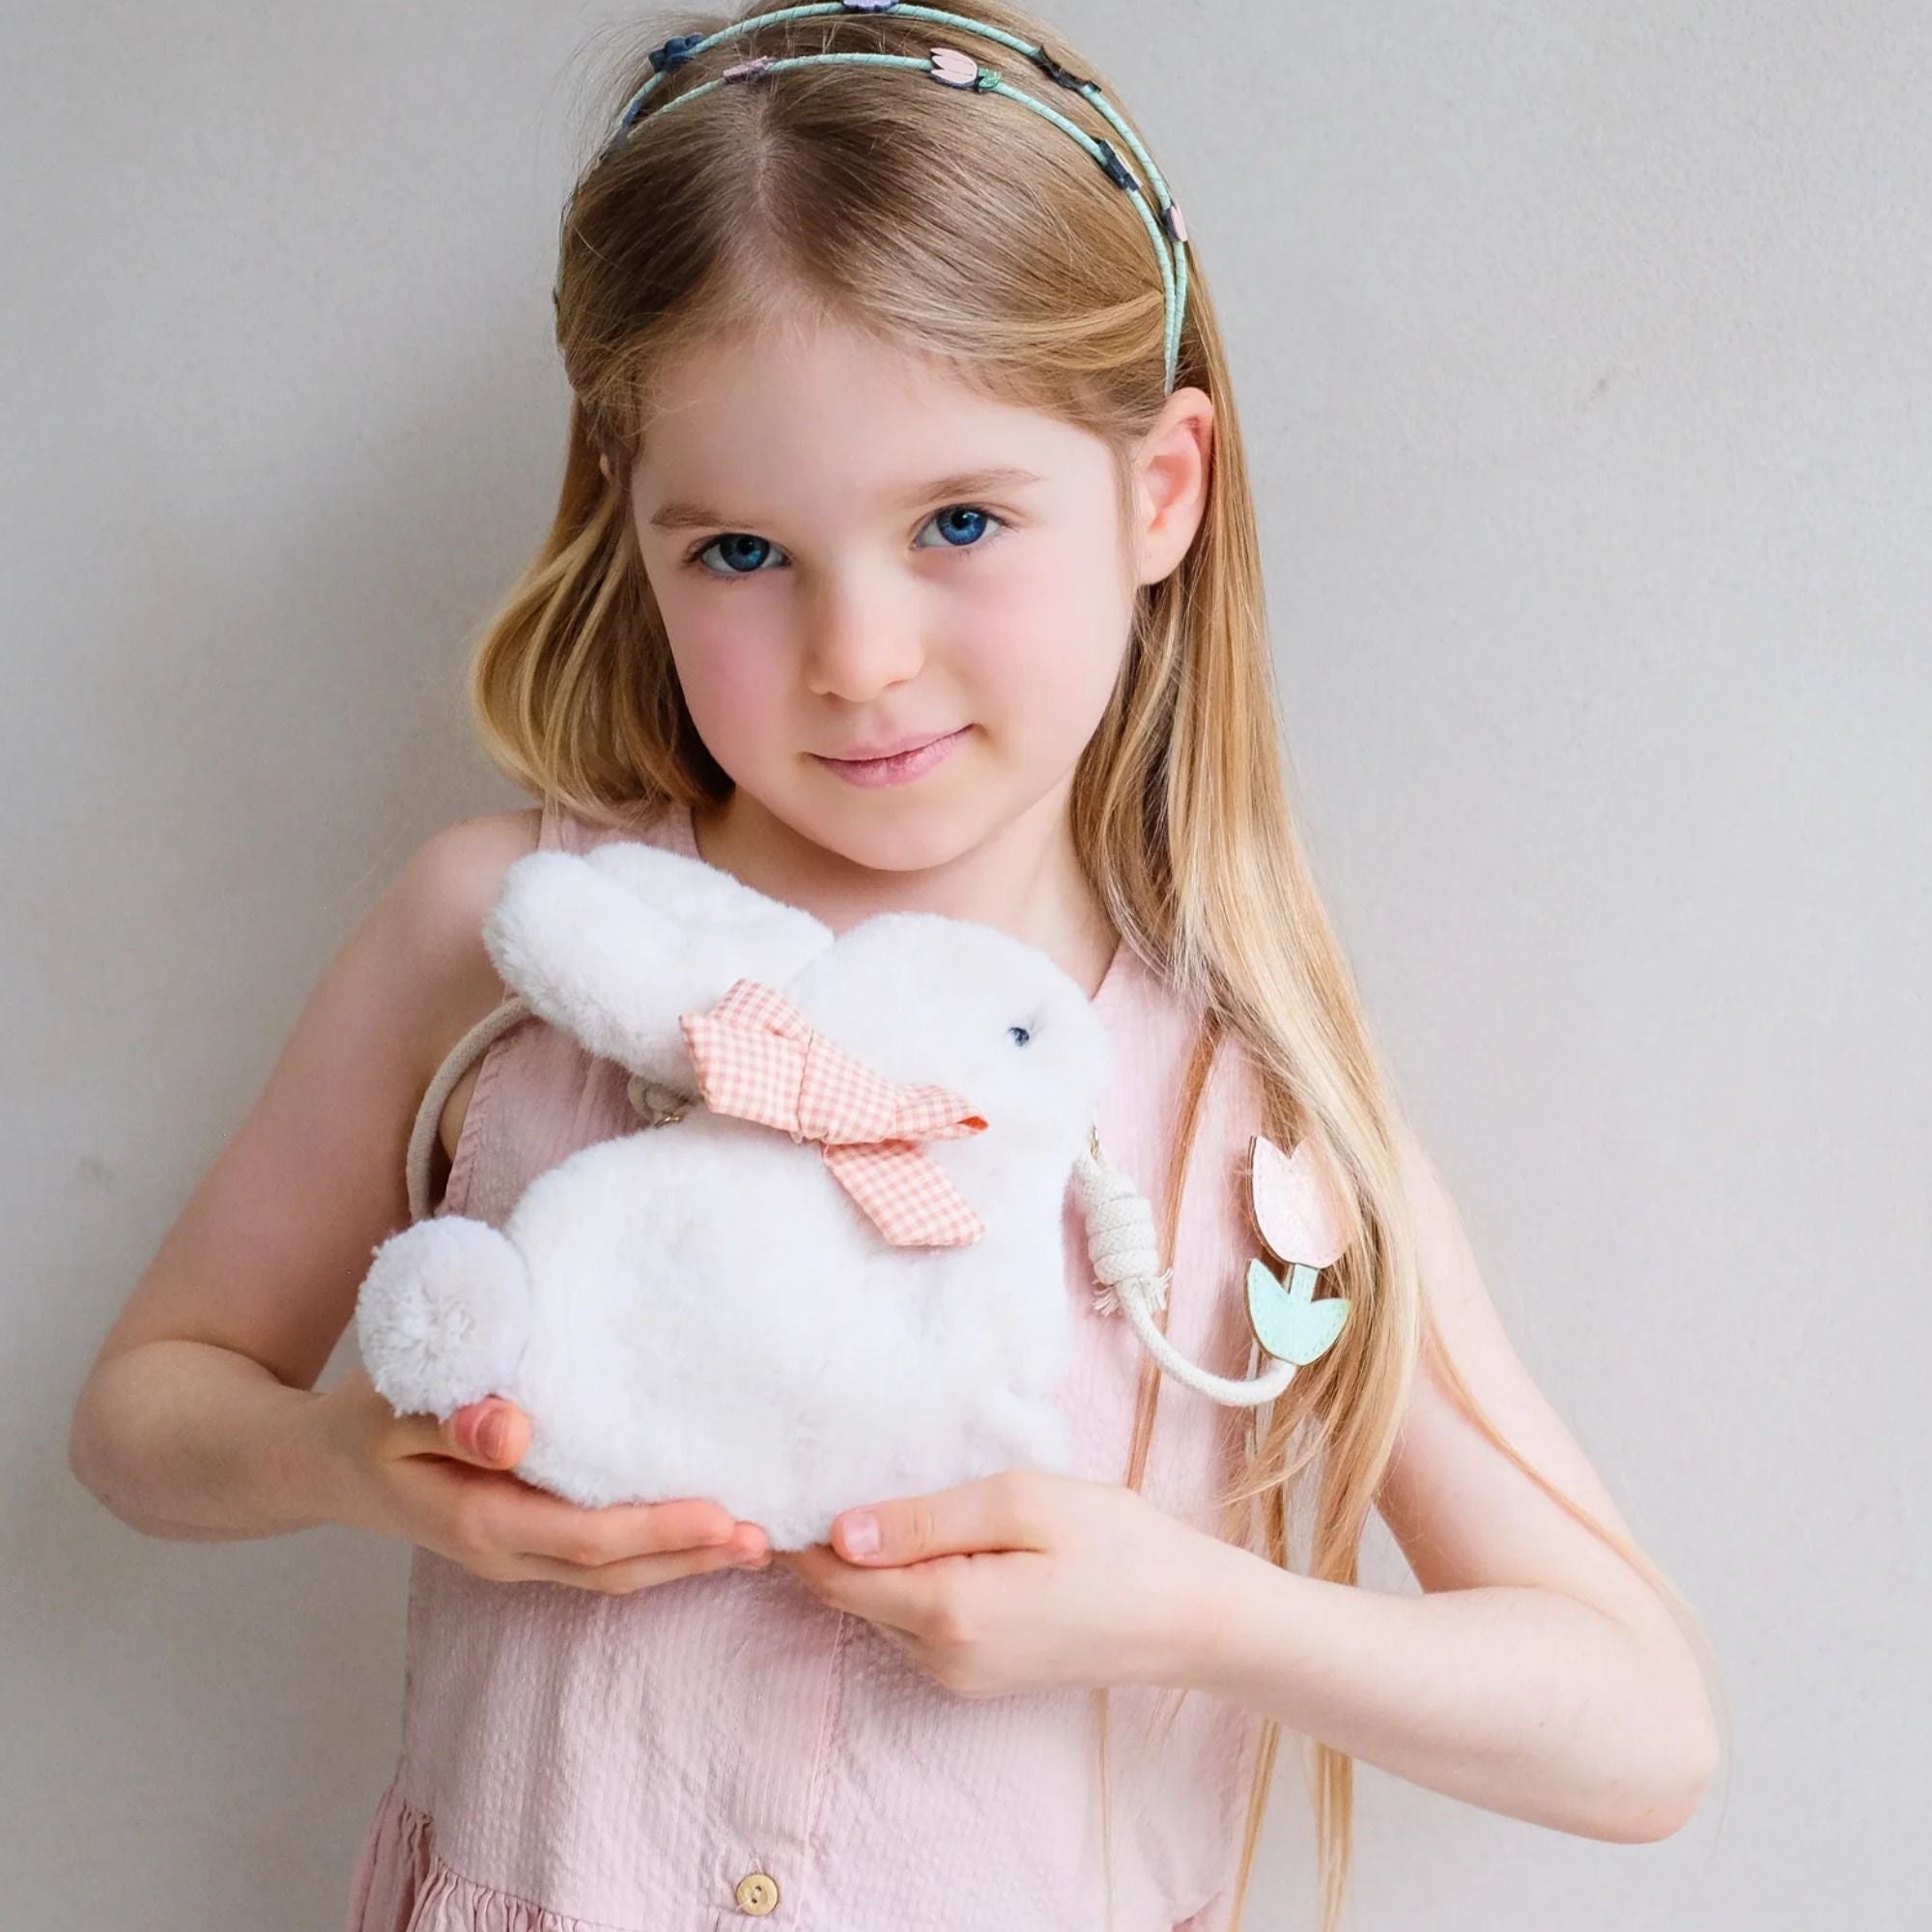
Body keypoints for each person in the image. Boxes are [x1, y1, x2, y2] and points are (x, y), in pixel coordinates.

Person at [64, 5, 1724, 1929]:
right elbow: (145, 1417)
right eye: (739, 552)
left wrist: (1188, 1609)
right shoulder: (502, 939)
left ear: (1161, 492)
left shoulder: (1248, 1116)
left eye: (958, 521)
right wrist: (352, 1460)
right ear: (636, 527)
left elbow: (1640, 1730)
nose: (857, 658)